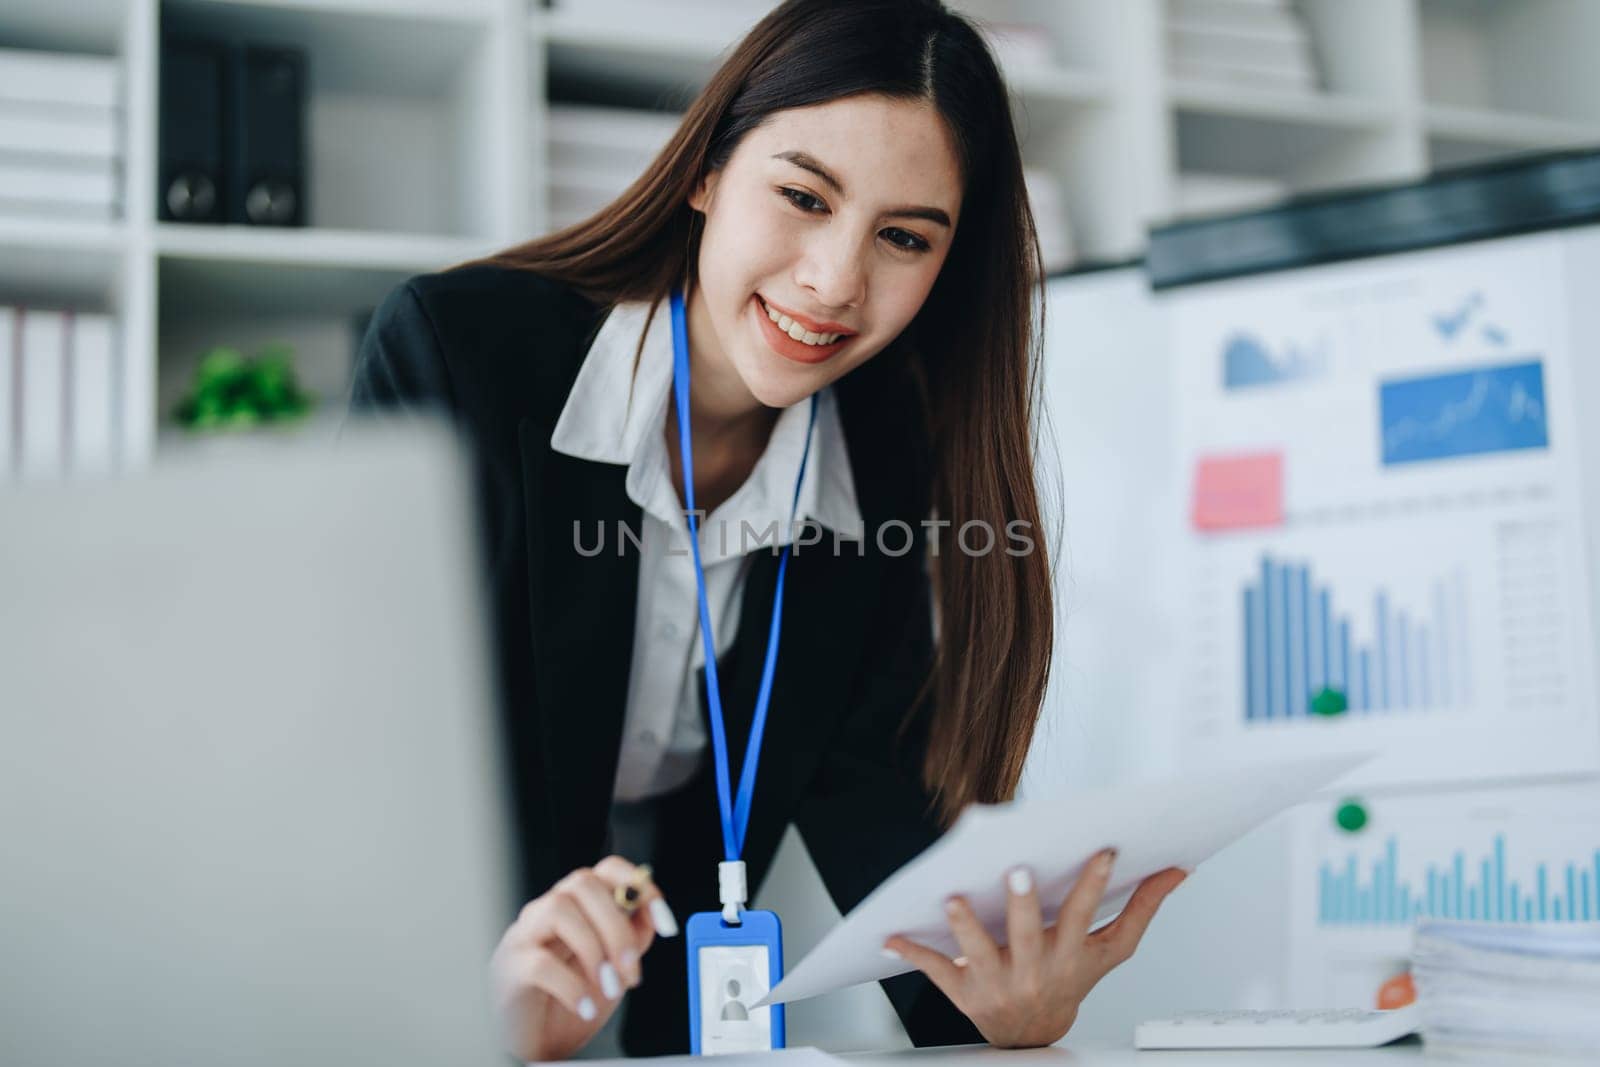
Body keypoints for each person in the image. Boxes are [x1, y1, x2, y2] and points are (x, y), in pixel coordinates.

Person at [348, 0, 1186, 1058]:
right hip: (460, 954)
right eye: (801, 195)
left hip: (679, 979)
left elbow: (866, 773)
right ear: (705, 172)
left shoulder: (890, 438)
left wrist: (989, 1017)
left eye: (903, 236)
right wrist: (472, 998)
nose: (835, 281)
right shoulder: (458, 355)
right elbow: (369, 748)